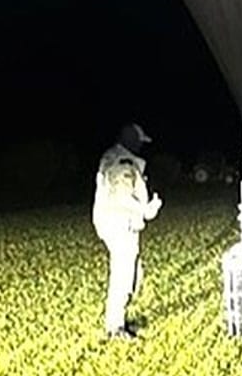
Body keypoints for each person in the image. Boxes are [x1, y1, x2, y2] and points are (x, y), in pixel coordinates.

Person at [92, 122, 162, 339]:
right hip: (120, 223)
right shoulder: (124, 162)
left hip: (112, 222)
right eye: (139, 142)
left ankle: (118, 318)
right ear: (131, 141)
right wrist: (147, 209)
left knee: (132, 274)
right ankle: (115, 327)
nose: (141, 146)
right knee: (123, 275)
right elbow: (122, 196)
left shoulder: (112, 156)